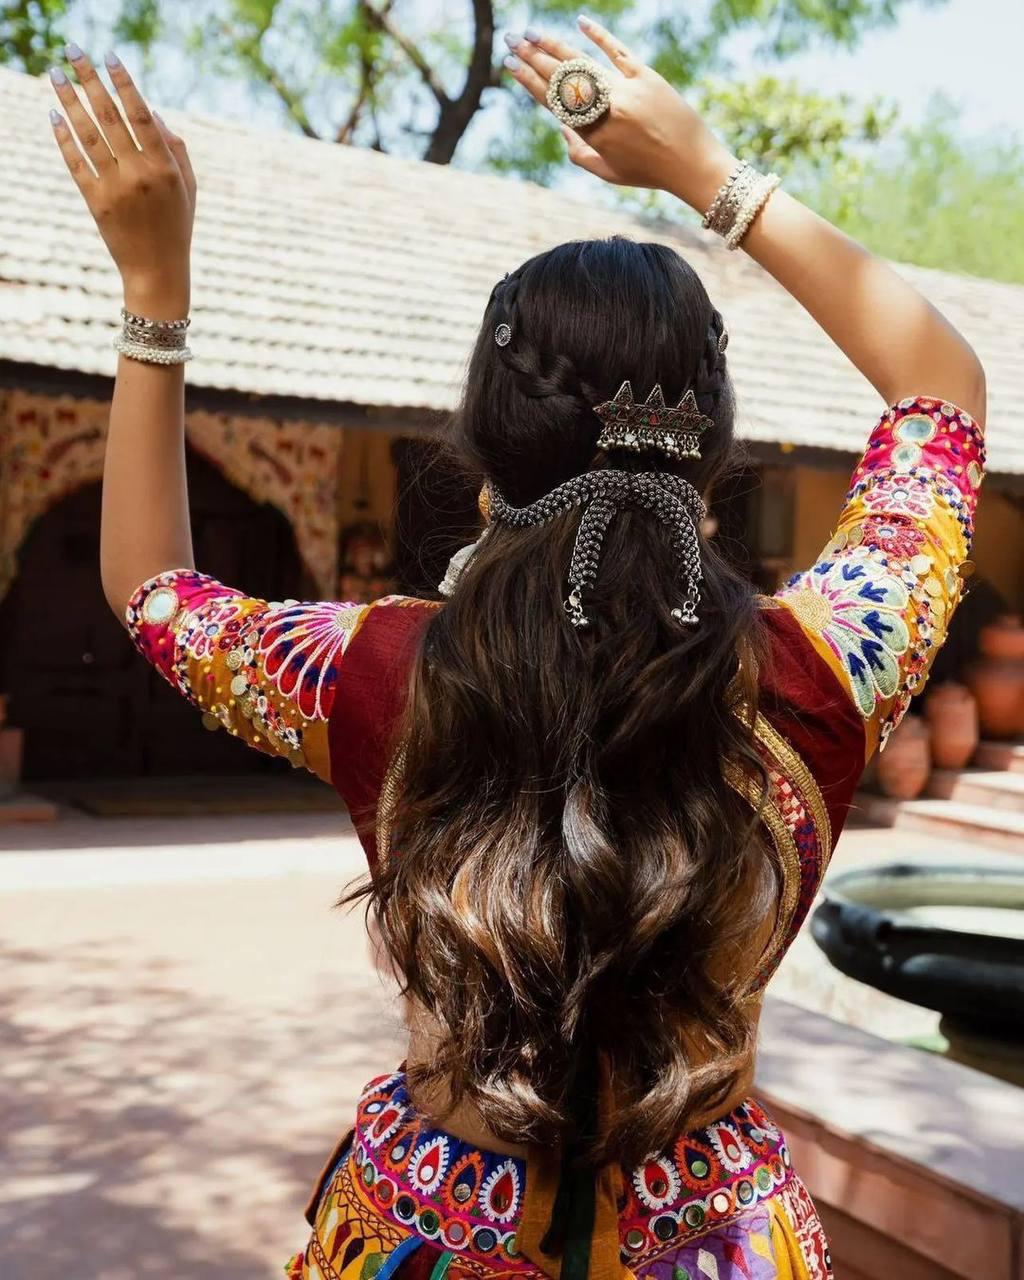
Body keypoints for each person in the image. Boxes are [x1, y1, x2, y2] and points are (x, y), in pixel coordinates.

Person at [47, 17, 986, 1280]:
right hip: (715, 1248)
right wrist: (710, 171)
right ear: (710, 452)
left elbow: (153, 589)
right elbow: (941, 395)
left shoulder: (379, 672)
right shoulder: (826, 662)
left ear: (485, 451)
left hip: (421, 1240)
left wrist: (155, 297)